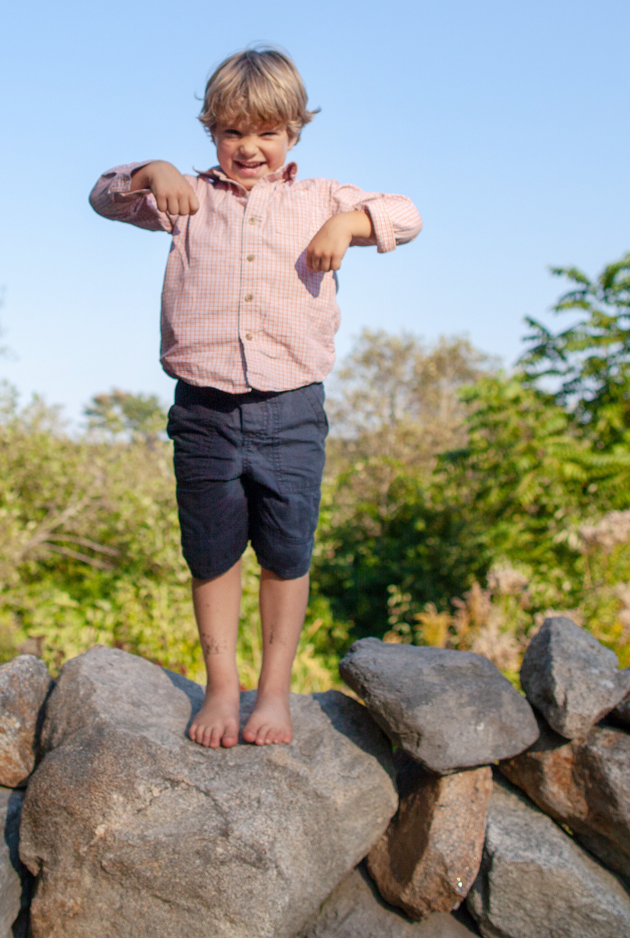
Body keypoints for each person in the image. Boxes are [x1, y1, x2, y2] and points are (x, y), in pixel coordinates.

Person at [88, 48, 422, 747]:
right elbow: (103, 197)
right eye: (234, 132)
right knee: (211, 553)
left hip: (292, 408)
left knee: (285, 552)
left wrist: (348, 225)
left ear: (294, 134)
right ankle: (219, 687)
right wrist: (151, 171)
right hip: (204, 408)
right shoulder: (187, 197)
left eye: (267, 133)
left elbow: (407, 213)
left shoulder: (320, 199)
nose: (250, 148)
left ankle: (272, 692)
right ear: (212, 131)